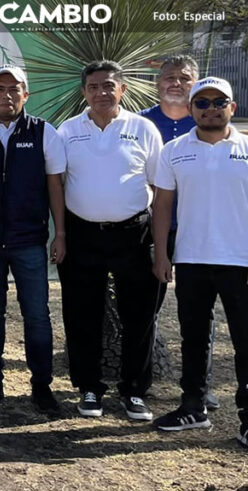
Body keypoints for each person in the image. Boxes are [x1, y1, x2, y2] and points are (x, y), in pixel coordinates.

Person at [56, 60, 162, 420]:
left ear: (123, 89)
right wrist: (61, 234)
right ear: (84, 92)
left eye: (108, 86)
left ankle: (134, 391)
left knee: (140, 314)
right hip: (82, 234)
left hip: (134, 234)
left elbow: (160, 188)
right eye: (94, 87)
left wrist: (161, 249)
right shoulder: (67, 131)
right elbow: (56, 184)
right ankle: (89, 389)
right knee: (81, 313)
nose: (101, 92)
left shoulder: (143, 129)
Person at [151, 76, 248, 450]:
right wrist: (162, 253)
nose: (210, 109)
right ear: (190, 110)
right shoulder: (173, 150)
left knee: (245, 342)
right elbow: (162, 206)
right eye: (202, 103)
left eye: (218, 102)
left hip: (241, 260)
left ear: (232, 108)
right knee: (193, 338)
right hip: (191, 258)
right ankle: (193, 407)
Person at [0, 65, 67, 413]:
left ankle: (41, 386)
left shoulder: (44, 132)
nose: (7, 95)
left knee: (37, 315)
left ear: (26, 95)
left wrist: (61, 234)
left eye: (15, 89)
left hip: (30, 240)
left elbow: (55, 186)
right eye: (0, 88)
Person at [139, 55, 220, 410]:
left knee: (203, 313)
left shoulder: (208, 120)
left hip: (199, 232)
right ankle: (140, 381)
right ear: (157, 83)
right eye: (168, 77)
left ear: (195, 84)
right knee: (145, 307)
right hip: (151, 230)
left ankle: (200, 386)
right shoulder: (140, 124)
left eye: (184, 78)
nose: (175, 83)